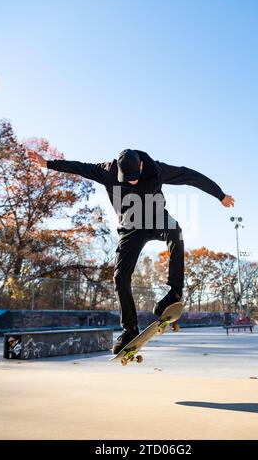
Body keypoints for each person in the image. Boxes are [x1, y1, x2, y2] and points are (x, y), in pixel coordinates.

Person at [28, 148, 234, 354]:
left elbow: (189, 175)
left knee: (175, 232)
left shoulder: (157, 169)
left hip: (155, 219)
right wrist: (47, 164)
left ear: (142, 166)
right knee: (120, 278)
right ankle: (129, 329)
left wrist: (220, 195)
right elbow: (79, 168)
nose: (133, 182)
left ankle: (174, 292)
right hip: (130, 228)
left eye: (135, 178)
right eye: (128, 179)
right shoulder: (107, 171)